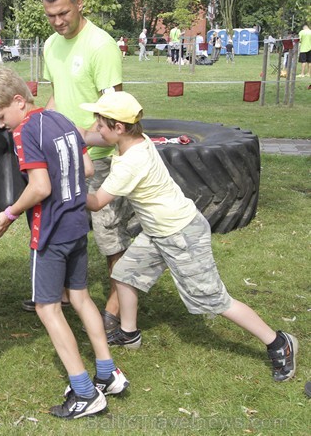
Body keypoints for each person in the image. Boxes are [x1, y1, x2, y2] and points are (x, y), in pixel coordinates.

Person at [78, 91, 298, 383]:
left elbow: (95, 202)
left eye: (100, 124)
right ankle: (129, 334)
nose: (96, 128)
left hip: (180, 234)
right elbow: (89, 138)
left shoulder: (131, 162)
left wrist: (68, 182)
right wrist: (70, 134)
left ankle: (278, 342)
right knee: (125, 273)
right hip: (159, 230)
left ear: (118, 127)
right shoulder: (134, 140)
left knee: (213, 299)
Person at [0, 68, 129, 420]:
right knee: (80, 296)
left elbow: (40, 187)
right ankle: (107, 374)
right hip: (77, 225)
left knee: (47, 308)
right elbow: (88, 170)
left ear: (18, 101)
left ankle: (84, 391)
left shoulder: (25, 131)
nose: (2, 126)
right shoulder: (61, 119)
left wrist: (10, 213)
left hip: (51, 233)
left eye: (1, 117)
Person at [33, 0, 131, 335]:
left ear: (79, 3)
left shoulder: (101, 46)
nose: (58, 22)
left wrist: (81, 140)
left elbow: (114, 112)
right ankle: (57, 293)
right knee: (63, 228)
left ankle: (115, 311)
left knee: (110, 237)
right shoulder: (50, 45)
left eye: (63, 13)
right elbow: (58, 96)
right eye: (50, 16)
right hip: (64, 158)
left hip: (101, 158)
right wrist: (41, 128)